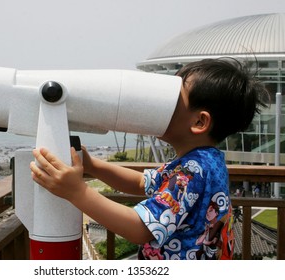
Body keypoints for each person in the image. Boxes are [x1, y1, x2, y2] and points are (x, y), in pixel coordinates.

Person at [30, 58, 269, 260]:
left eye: (174, 98)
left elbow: (140, 228)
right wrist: (93, 165)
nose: (161, 103)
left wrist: (77, 192)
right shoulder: (204, 162)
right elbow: (140, 183)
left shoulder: (194, 170)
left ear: (199, 122)